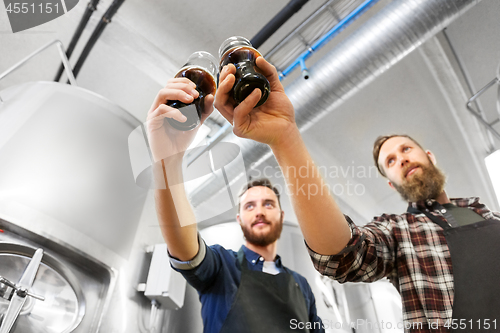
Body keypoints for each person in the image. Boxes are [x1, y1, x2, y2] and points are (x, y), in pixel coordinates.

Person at [212, 58, 500, 331]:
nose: (400, 159)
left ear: (430, 157)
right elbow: (341, 255)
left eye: (405, 149)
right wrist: (285, 137)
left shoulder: (488, 213)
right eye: (390, 161)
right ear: (392, 184)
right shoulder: (399, 231)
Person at [146, 75, 324, 332]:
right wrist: (167, 160)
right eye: (249, 206)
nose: (259, 211)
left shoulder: (302, 286)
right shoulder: (221, 266)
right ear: (239, 219)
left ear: (282, 215)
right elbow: (185, 248)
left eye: (268, 204)